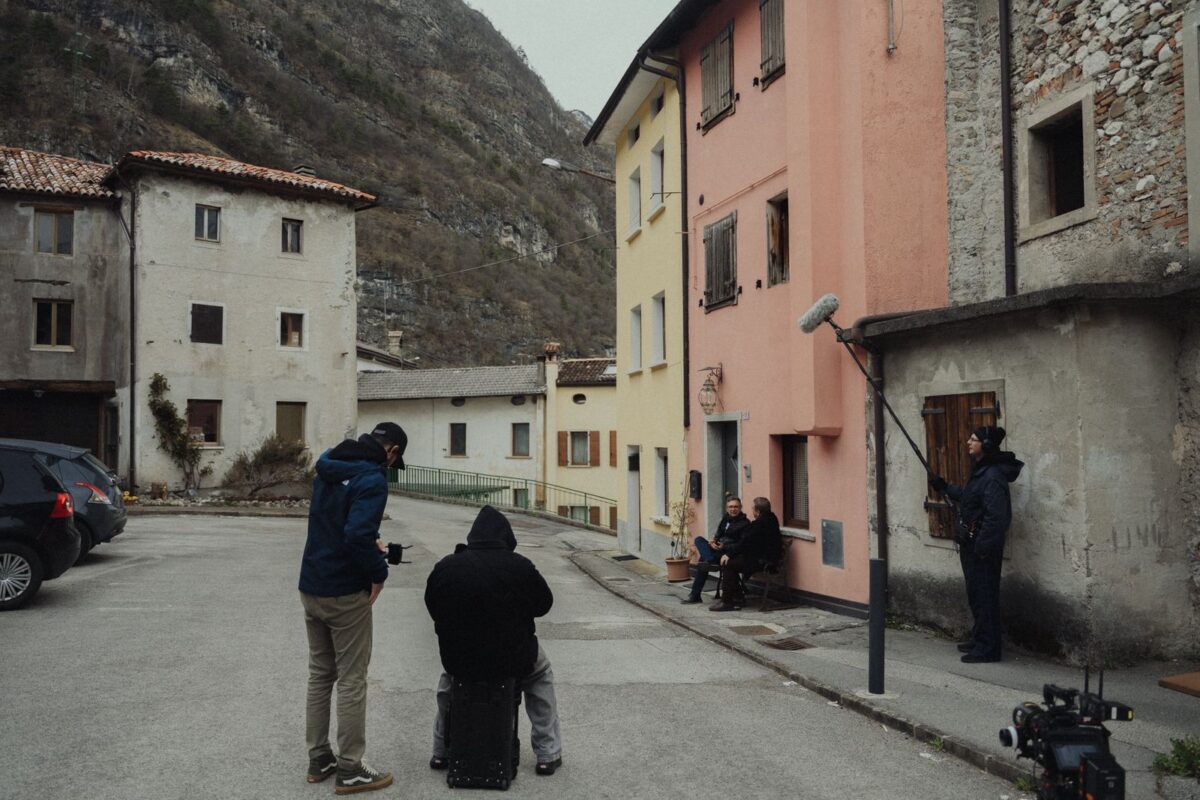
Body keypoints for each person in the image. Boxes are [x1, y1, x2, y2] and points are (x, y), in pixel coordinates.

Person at [298, 422, 407, 794]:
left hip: (312, 584)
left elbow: (339, 525)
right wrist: (378, 574)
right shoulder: (373, 479)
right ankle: (351, 767)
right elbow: (357, 534)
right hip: (345, 592)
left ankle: (319, 757)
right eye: (395, 461)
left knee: (319, 674)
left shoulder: (330, 463)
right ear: (390, 451)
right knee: (352, 678)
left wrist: (366, 541)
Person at [424, 505, 563, 776]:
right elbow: (544, 604)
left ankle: (440, 751)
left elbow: (433, 606)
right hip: (512, 658)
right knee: (541, 676)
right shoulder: (520, 566)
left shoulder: (446, 567)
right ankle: (548, 753)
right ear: (506, 537)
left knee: (449, 681)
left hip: (461, 659)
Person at [930, 426, 1023, 664]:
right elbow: (969, 497)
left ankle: (988, 649)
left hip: (982, 549)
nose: (968, 442)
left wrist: (982, 546)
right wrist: (943, 487)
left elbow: (997, 517)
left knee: (985, 596)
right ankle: (980, 638)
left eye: (974, 439)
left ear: (987, 445)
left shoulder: (993, 476)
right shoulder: (982, 471)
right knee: (976, 595)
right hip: (973, 546)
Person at [710, 497, 782, 612]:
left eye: (753, 509)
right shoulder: (771, 519)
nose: (752, 511)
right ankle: (737, 597)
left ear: (757, 511)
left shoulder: (758, 524)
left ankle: (727, 601)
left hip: (764, 562)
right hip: (764, 558)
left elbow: (744, 542)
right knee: (731, 562)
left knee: (728, 564)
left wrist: (729, 554)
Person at [681, 496, 750, 604]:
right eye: (730, 507)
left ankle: (695, 595)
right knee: (699, 539)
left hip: (728, 554)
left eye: (736, 507)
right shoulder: (725, 519)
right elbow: (718, 534)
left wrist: (724, 547)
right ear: (727, 508)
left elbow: (741, 545)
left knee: (703, 561)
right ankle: (709, 559)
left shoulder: (744, 524)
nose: (733, 509)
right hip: (717, 549)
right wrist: (713, 541)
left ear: (740, 508)